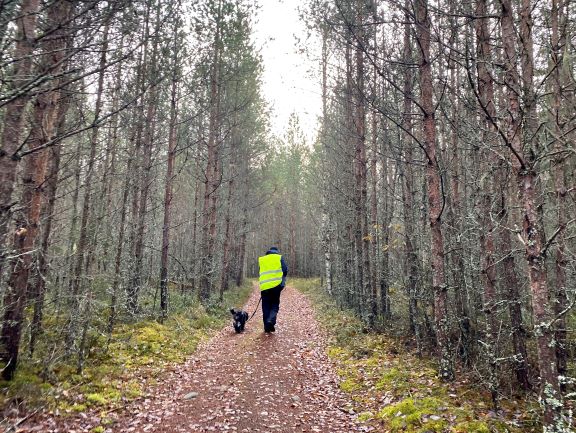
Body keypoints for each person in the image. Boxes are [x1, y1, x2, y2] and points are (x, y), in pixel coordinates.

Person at [258, 246, 288, 333]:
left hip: (264, 286)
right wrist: (282, 280)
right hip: (276, 285)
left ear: (269, 251)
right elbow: (285, 270)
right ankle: (271, 320)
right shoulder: (279, 257)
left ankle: (266, 327)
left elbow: (260, 271)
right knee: (274, 304)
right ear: (276, 252)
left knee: (265, 305)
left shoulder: (262, 259)